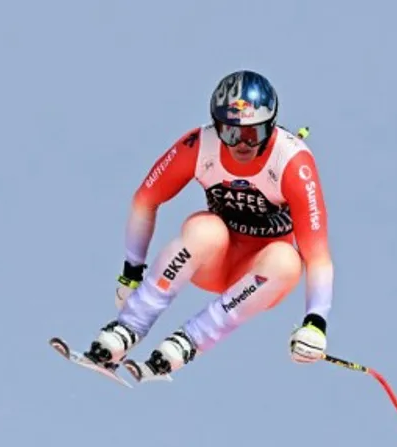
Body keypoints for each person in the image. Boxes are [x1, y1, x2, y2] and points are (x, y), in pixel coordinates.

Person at [86, 69, 335, 383]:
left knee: (288, 260)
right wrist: (132, 271)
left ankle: (190, 341)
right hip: (213, 261)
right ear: (216, 126)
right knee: (206, 230)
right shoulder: (199, 145)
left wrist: (315, 323)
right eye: (230, 133)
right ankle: (128, 327)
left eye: (253, 134)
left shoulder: (292, 162)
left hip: (258, 276)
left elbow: (318, 255)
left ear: (271, 128)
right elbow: (144, 200)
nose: (241, 144)